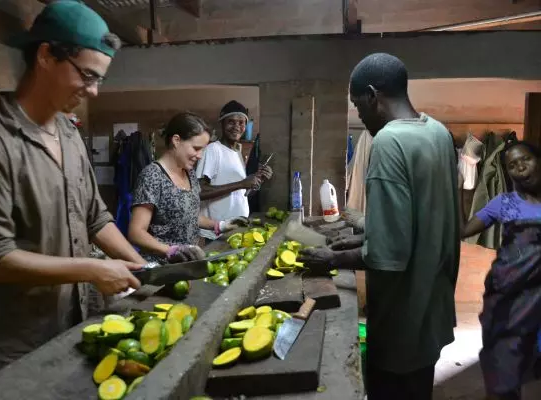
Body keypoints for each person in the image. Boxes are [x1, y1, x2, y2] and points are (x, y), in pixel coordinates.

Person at [0, 1, 147, 380]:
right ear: (46, 56)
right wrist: (91, 269)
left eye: (99, 78)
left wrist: (141, 269)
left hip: (72, 320)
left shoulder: (68, 134)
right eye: (87, 75)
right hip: (13, 340)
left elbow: (95, 217)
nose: (95, 91)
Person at [298, 53, 460, 400]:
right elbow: (423, 216)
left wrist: (331, 258)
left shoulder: (389, 141)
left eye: (358, 105)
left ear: (373, 95)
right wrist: (364, 233)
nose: (359, 114)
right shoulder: (438, 133)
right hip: (432, 305)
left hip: (403, 312)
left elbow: (389, 253)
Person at [460, 140, 541, 400]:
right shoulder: (503, 203)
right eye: (512, 165)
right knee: (502, 375)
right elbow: (464, 230)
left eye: (525, 159)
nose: (520, 168)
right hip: (506, 301)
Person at [129, 112, 247, 263]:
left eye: (203, 149)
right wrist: (170, 251)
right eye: (196, 148)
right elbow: (136, 232)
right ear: (176, 140)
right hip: (161, 267)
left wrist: (219, 225)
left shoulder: (189, 173)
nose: (200, 155)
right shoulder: (152, 176)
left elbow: (188, 214)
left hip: (186, 266)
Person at [196, 100, 273, 221]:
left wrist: (257, 181)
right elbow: (199, 191)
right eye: (231, 122)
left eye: (241, 123)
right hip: (217, 230)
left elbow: (241, 194)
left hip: (237, 225)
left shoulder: (237, 152)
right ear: (222, 123)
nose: (236, 127)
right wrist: (241, 183)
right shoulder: (213, 150)